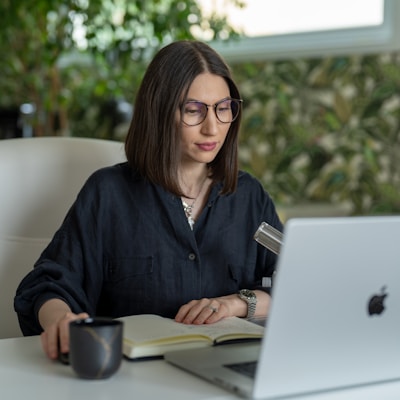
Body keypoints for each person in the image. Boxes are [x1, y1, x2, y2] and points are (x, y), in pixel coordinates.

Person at [14, 40, 283, 360]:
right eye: (193, 110)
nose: (212, 127)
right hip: (133, 378)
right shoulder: (109, 194)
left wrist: (236, 303)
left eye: (223, 109)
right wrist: (61, 321)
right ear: (159, 112)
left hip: (229, 370)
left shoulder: (249, 196)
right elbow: (47, 286)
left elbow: (295, 286)